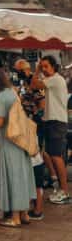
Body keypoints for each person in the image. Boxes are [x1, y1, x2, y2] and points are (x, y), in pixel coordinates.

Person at [0, 66, 36, 227]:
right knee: (22, 176)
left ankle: (14, 217)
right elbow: (9, 113)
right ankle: (24, 214)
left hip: (9, 141)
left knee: (12, 176)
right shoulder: (12, 92)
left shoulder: (0, 96)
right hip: (20, 141)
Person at [38, 55, 70, 204]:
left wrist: (36, 69)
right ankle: (59, 186)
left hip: (56, 122)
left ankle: (64, 191)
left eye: (46, 66)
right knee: (51, 154)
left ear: (53, 66)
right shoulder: (53, 81)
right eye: (42, 66)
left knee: (56, 156)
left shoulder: (55, 80)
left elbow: (33, 85)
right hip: (52, 121)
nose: (44, 69)